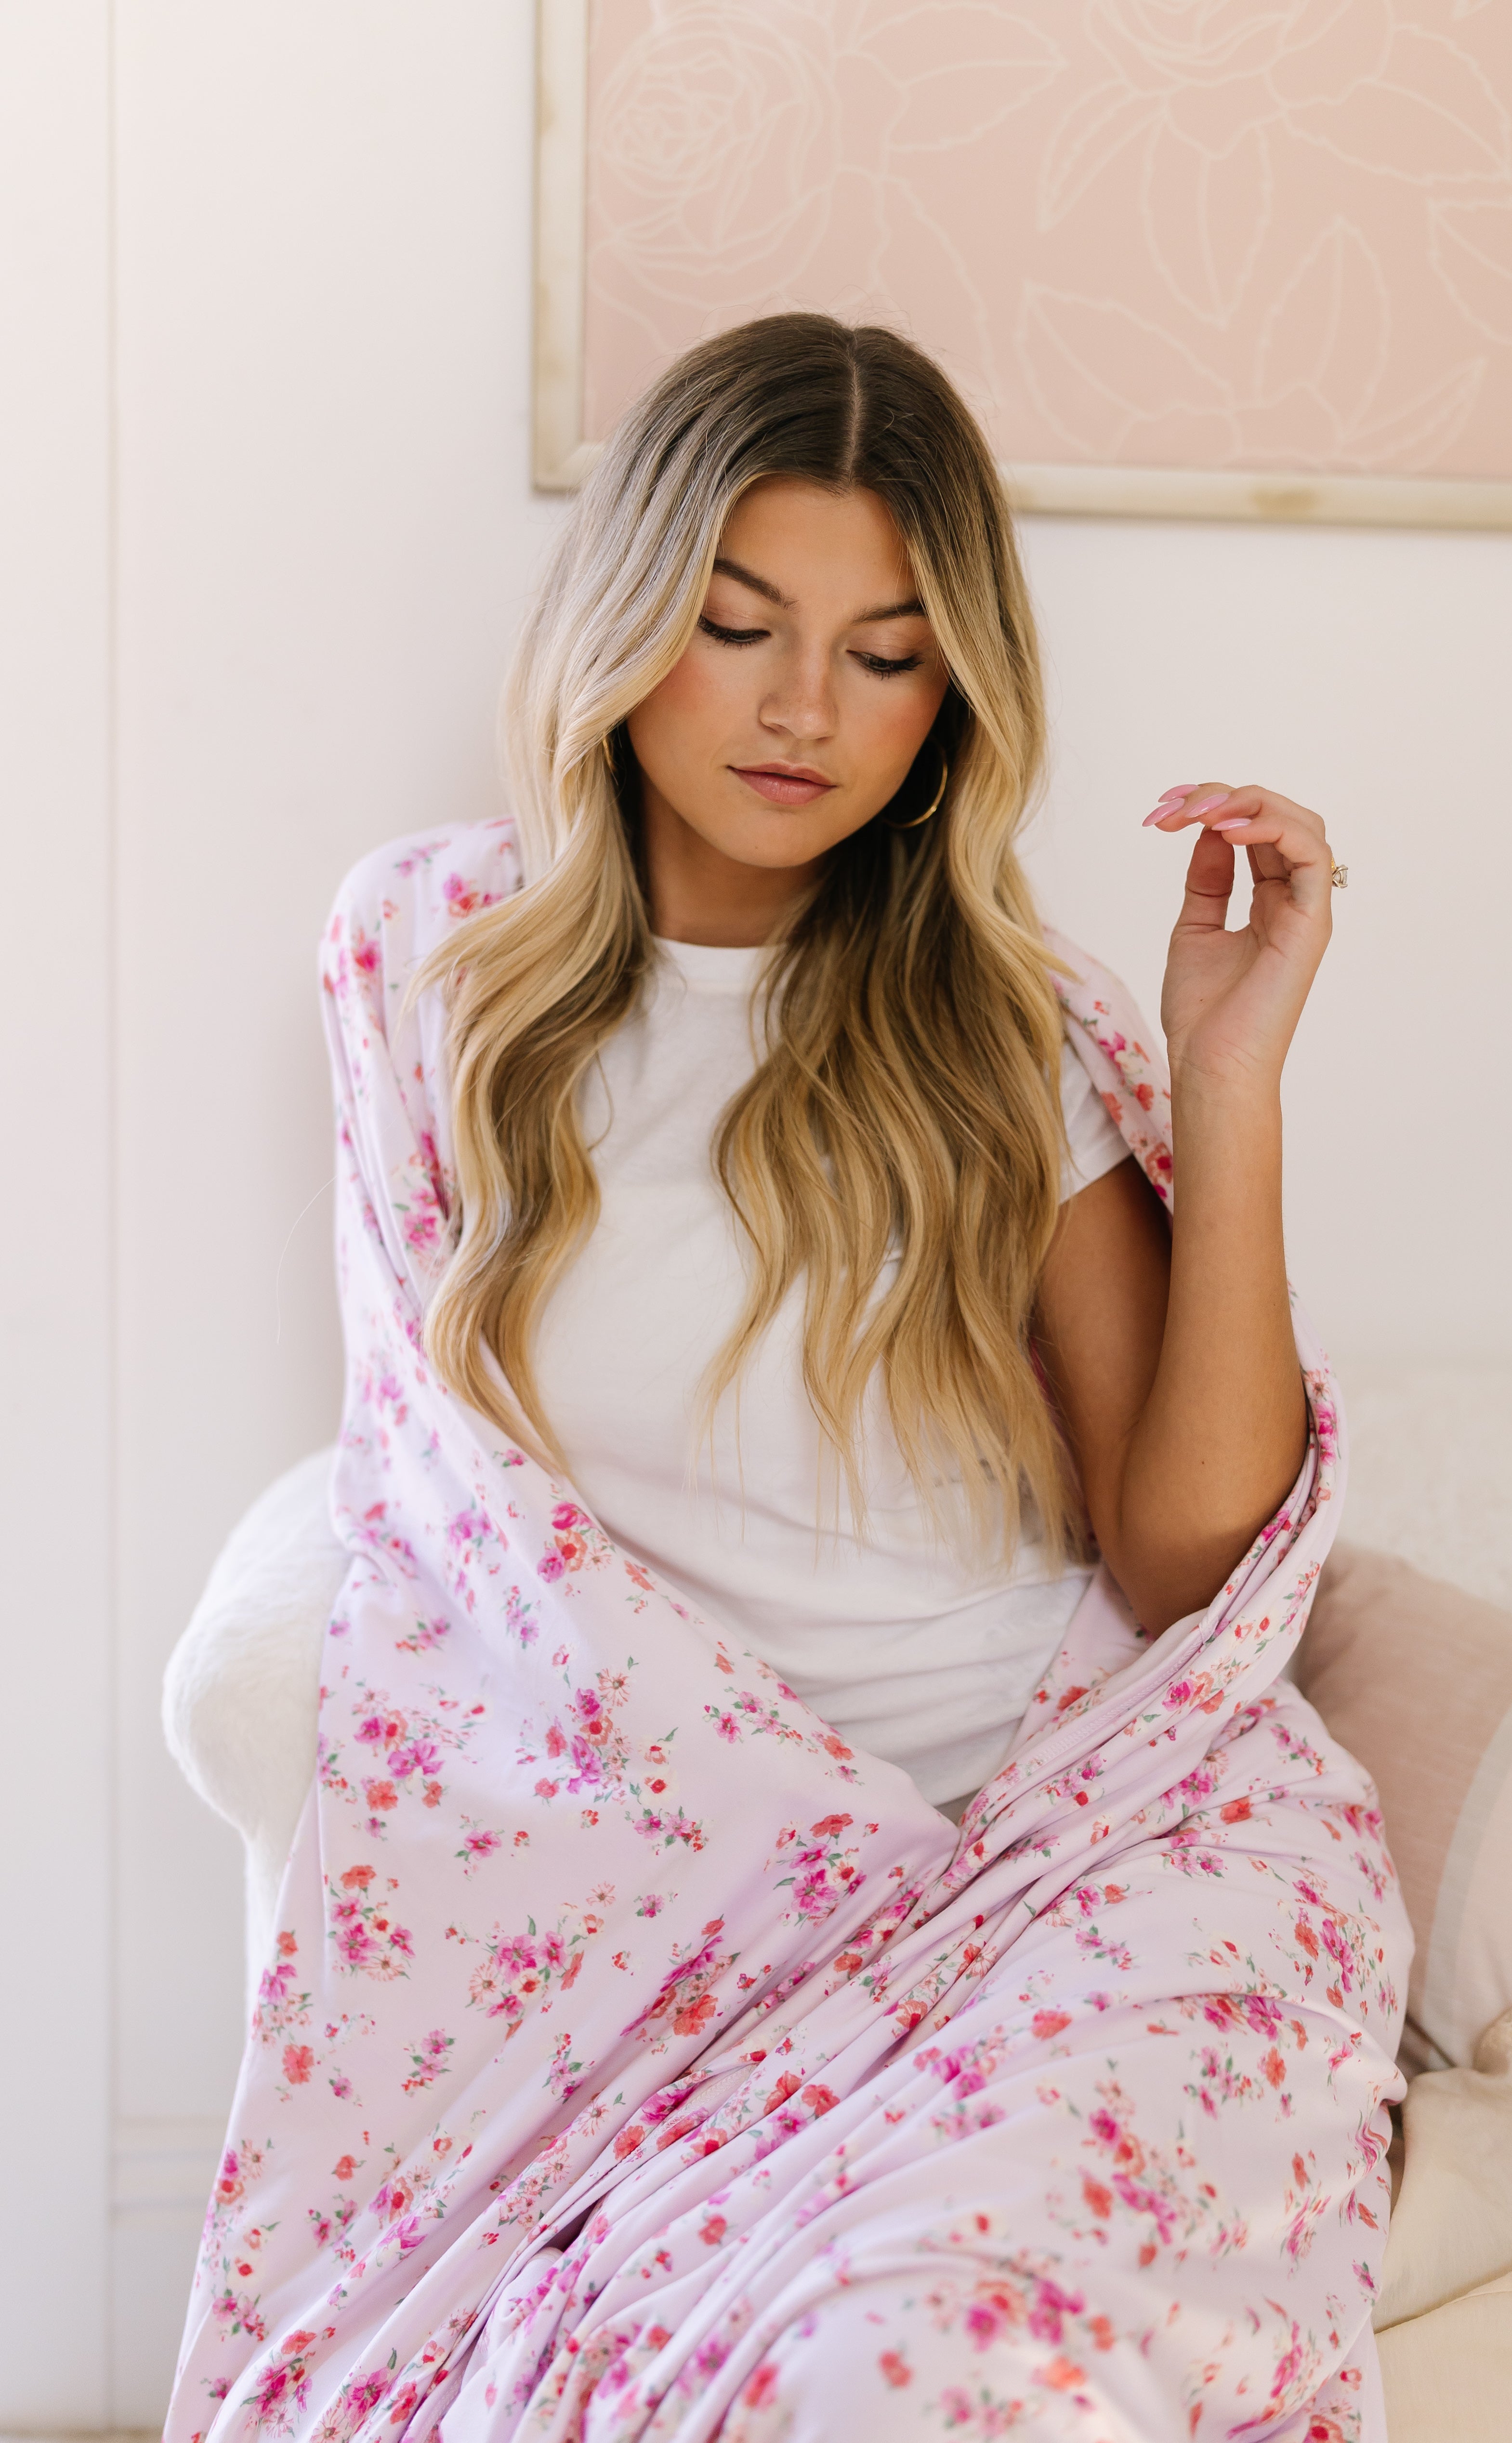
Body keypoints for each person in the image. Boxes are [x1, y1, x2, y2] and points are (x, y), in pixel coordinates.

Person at [170, 317, 1405, 2443]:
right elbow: (459, 1528)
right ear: (631, 613)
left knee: (922, 2357)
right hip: (657, 1894)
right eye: (738, 623)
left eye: (888, 650)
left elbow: (1188, 1544)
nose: (804, 707)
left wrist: (1230, 1077)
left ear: (957, 693)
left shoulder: (997, 1025)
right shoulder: (427, 968)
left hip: (1070, 1851)